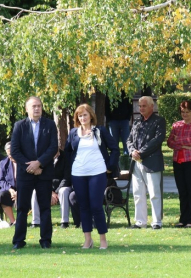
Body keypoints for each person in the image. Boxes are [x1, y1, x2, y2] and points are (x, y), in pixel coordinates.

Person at [65, 104, 119, 249]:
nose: (82, 118)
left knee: (96, 206)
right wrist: (71, 168)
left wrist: (110, 167)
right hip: (78, 173)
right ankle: (88, 240)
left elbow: (114, 148)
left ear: (91, 116)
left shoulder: (100, 131)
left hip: (97, 172)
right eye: (80, 116)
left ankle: (103, 240)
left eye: (85, 115)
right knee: (83, 206)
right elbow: (67, 152)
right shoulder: (73, 133)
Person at [10, 96, 58, 249]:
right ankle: (19, 241)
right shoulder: (19, 126)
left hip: (44, 173)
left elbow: (53, 147)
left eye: (39, 106)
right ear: (27, 109)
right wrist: (30, 167)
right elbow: (14, 150)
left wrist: (39, 163)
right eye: (34, 106)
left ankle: (45, 240)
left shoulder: (50, 125)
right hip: (26, 174)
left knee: (45, 207)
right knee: (22, 208)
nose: (37, 109)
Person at [126, 96, 166, 229]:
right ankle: (140, 222)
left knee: (154, 193)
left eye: (144, 106)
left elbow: (157, 140)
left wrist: (141, 152)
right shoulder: (137, 121)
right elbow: (129, 140)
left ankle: (156, 222)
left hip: (152, 161)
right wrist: (132, 151)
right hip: (136, 163)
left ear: (151, 107)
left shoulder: (159, 121)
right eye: (140, 106)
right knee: (138, 193)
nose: (141, 108)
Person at [167, 100, 191, 228]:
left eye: (187, 112)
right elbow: (169, 142)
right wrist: (184, 145)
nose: (185, 114)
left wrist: (179, 142)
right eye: (183, 112)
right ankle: (183, 218)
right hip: (178, 161)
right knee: (182, 191)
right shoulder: (176, 125)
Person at [30, 148, 74, 229]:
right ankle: (36, 222)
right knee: (35, 192)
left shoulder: (66, 157)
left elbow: (67, 177)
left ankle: (64, 221)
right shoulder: (43, 158)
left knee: (63, 191)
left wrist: (56, 192)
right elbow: (41, 176)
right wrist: (50, 192)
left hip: (63, 186)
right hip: (47, 186)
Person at [105, 91, 133, 156]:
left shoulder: (126, 92)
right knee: (114, 143)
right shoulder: (110, 92)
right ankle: (115, 161)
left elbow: (130, 105)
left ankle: (126, 160)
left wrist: (128, 118)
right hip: (113, 121)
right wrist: (109, 119)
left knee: (126, 141)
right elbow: (106, 106)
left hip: (124, 121)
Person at [0, 142, 17, 226]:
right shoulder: (3, 163)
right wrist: (10, 189)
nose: (11, 156)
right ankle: (13, 221)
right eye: (9, 154)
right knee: (2, 195)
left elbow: (29, 179)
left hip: (24, 188)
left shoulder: (25, 162)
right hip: (10, 189)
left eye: (12, 154)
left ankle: (21, 220)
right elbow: (1, 180)